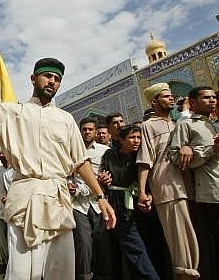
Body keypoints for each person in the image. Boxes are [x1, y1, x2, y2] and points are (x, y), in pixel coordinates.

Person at [0, 37, 115, 280]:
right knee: (22, 273)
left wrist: (100, 197)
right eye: (47, 75)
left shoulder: (66, 119)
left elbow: (80, 162)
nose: (52, 81)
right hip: (25, 202)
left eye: (57, 78)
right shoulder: (13, 113)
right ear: (33, 78)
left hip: (59, 201)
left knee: (61, 273)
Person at [137, 83, 199, 280]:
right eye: (166, 96)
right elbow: (145, 161)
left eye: (172, 96)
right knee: (180, 242)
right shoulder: (148, 126)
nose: (171, 98)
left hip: (188, 187)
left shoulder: (178, 124)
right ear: (155, 101)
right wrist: (142, 192)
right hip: (167, 188)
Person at [169, 86, 219, 280]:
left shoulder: (215, 124)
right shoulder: (187, 125)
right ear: (193, 102)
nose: (212, 100)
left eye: (214, 97)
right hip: (210, 193)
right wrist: (208, 151)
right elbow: (175, 156)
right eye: (206, 98)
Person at [100, 125, 160, 280]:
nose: (136, 141)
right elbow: (104, 176)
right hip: (119, 206)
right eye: (132, 137)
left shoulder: (141, 157)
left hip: (140, 206)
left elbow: (148, 181)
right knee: (134, 248)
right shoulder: (109, 155)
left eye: (139, 138)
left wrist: (147, 196)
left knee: (145, 246)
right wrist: (103, 179)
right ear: (121, 140)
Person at [69, 117, 113, 280]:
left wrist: (107, 179)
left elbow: (110, 175)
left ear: (96, 132)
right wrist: (69, 185)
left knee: (103, 244)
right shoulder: (71, 151)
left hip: (99, 203)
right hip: (78, 205)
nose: (87, 132)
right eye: (84, 129)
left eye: (90, 129)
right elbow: (66, 174)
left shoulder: (104, 151)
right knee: (84, 244)